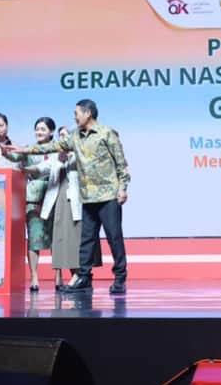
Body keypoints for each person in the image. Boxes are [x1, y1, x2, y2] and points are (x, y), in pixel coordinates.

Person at [9, 99, 130, 294]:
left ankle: (120, 278)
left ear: (87, 113)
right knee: (87, 240)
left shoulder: (107, 133)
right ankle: (84, 278)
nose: (74, 117)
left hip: (108, 195)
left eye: (77, 113)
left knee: (114, 238)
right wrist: (24, 150)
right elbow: (51, 147)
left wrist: (122, 188)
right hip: (87, 197)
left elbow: (121, 163)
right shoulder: (74, 137)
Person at [45, 126, 101, 290]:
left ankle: (81, 275)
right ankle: (78, 277)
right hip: (61, 200)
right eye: (60, 136)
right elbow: (43, 167)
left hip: (79, 200)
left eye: (65, 135)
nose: (62, 139)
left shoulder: (82, 153)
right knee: (64, 238)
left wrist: (74, 156)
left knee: (78, 237)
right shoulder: (57, 156)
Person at [20, 117, 57, 292]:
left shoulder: (59, 148)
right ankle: (34, 276)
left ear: (51, 132)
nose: (39, 132)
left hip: (55, 193)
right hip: (34, 198)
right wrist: (3, 150)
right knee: (34, 237)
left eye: (43, 129)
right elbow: (14, 157)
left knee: (57, 237)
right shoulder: (29, 150)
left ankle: (59, 275)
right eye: (37, 129)